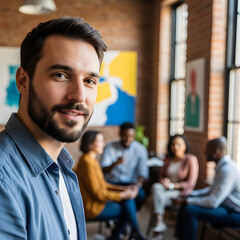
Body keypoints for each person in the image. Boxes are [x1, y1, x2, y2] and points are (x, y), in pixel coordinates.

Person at [0, 16, 107, 240]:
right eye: (60, 75)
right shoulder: (4, 179)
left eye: (89, 80)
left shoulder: (63, 167)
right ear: (23, 81)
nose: (79, 95)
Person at [75, 130, 147, 240]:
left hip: (98, 203)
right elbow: (99, 194)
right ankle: (129, 233)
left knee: (128, 201)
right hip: (92, 208)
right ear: (90, 144)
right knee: (126, 207)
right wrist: (123, 195)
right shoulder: (87, 163)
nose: (103, 144)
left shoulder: (91, 160)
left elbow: (103, 185)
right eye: (100, 141)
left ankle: (128, 233)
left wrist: (124, 189)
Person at [174, 137, 240, 240]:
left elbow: (213, 201)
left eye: (207, 150)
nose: (204, 153)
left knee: (190, 210)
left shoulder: (227, 170)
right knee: (186, 206)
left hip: (235, 213)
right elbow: (211, 190)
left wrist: (186, 202)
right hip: (224, 207)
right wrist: (190, 195)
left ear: (216, 152)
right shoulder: (221, 166)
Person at [151, 134, 199, 234]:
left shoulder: (191, 160)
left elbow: (190, 184)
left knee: (156, 199)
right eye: (173, 144)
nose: (175, 147)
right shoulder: (167, 159)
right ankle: (159, 223)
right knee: (155, 187)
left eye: (179, 144)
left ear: (185, 146)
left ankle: (158, 228)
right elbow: (161, 177)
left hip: (180, 193)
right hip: (165, 189)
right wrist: (165, 182)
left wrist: (172, 185)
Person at [101, 122, 149, 211]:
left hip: (131, 183)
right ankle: (130, 223)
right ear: (120, 134)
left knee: (141, 195)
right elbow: (104, 170)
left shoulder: (140, 149)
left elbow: (143, 173)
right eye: (124, 136)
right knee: (128, 200)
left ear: (134, 136)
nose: (127, 139)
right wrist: (115, 163)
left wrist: (136, 185)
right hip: (112, 183)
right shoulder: (110, 146)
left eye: (131, 136)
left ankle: (123, 220)